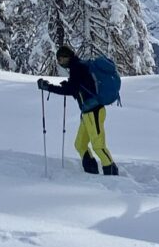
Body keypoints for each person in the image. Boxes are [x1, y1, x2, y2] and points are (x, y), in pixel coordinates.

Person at [37, 45, 118, 176]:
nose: (59, 62)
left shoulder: (77, 67)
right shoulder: (77, 67)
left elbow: (71, 90)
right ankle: (91, 172)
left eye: (60, 59)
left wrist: (49, 88)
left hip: (94, 111)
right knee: (80, 144)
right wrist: (67, 85)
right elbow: (78, 86)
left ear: (66, 57)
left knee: (98, 146)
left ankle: (112, 175)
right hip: (87, 112)